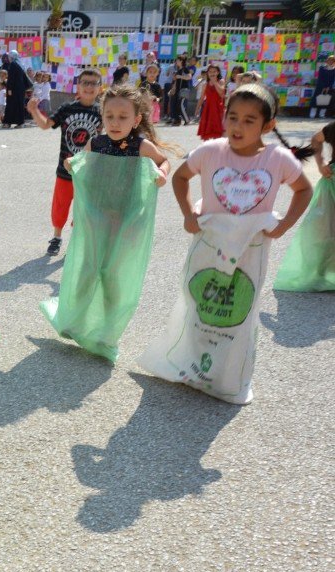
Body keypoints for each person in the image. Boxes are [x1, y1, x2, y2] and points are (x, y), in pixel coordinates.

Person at [140, 83, 314, 403]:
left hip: (250, 251)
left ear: (268, 125)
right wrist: (188, 215)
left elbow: (304, 190)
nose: (238, 126)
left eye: (250, 120)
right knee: (200, 304)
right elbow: (180, 178)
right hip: (208, 244)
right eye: (233, 117)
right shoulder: (211, 151)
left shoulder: (277, 159)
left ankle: (226, 378)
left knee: (238, 310)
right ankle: (190, 365)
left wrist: (283, 226)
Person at [42, 85, 176, 362]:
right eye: (109, 116)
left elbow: (165, 162)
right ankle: (73, 319)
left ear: (136, 120)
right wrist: (73, 165)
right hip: (98, 217)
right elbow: (84, 166)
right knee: (87, 269)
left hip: (127, 221)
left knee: (113, 274)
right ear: (102, 116)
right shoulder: (97, 143)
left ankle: (108, 329)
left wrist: (162, 174)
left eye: (123, 117)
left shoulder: (141, 145)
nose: (115, 123)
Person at [27, 68, 104, 256]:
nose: (89, 87)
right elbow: (46, 125)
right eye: (85, 82)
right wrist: (34, 111)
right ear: (78, 86)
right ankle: (57, 237)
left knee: (83, 208)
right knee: (60, 206)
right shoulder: (67, 108)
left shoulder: (103, 111)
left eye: (94, 83)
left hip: (89, 172)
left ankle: (77, 238)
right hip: (65, 170)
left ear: (100, 88)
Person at [273, 121, 335, 291]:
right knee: (324, 230)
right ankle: (320, 272)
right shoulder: (333, 128)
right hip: (332, 182)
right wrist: (321, 163)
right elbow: (316, 139)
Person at [2, 51, 32, 127]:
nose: (8, 58)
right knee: (19, 106)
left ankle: (7, 123)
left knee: (10, 105)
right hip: (20, 89)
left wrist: (9, 89)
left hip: (14, 89)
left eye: (9, 56)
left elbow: (11, 78)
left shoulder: (12, 64)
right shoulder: (20, 64)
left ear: (11, 57)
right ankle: (20, 123)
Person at [197, 64, 225, 141]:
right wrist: (197, 109)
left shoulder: (221, 81)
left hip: (217, 108)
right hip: (208, 109)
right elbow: (202, 98)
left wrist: (215, 82)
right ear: (207, 73)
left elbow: (221, 93)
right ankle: (207, 148)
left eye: (214, 71)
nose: (212, 73)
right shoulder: (205, 84)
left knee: (217, 130)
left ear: (218, 72)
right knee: (207, 130)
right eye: (210, 71)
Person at [168, 55, 192, 125]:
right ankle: (177, 120)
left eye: (177, 60)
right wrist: (173, 89)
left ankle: (187, 120)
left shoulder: (185, 69)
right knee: (177, 105)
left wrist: (180, 76)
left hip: (183, 90)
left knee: (181, 106)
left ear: (181, 61)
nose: (176, 62)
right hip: (178, 91)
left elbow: (189, 77)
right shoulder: (178, 70)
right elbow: (176, 82)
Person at [311, 55, 335, 119]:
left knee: (325, 101)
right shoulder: (322, 68)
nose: (331, 61)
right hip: (320, 86)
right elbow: (320, 78)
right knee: (316, 100)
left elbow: (333, 80)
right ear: (327, 61)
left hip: (328, 88)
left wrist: (328, 87)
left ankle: (322, 115)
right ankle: (312, 114)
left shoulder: (334, 69)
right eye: (330, 60)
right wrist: (323, 86)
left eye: (332, 60)